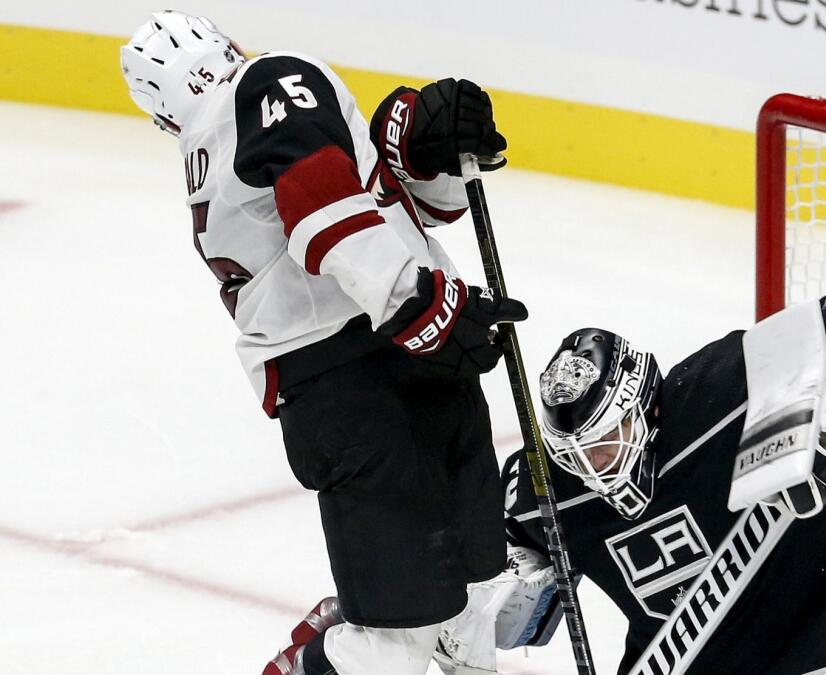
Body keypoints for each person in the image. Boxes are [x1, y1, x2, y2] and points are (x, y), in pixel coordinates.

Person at [120, 11, 525, 675]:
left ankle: (374, 607)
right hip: (361, 381)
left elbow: (380, 203)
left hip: (381, 366)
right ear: (226, 46)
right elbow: (322, 218)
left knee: (473, 608)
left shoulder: (209, 148)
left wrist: (425, 146)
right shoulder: (266, 80)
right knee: (398, 642)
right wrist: (422, 307)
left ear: (160, 111)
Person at [494, 292, 826, 674]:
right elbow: (503, 575)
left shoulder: (727, 391)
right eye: (577, 453)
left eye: (609, 437)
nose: (596, 464)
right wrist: (507, 586)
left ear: (645, 405)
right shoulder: (547, 492)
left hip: (816, 651)